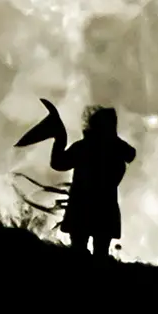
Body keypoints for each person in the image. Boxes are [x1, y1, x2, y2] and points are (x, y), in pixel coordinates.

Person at [47, 105, 136, 257]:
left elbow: (59, 163)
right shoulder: (108, 147)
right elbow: (130, 154)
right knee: (96, 252)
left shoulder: (84, 147)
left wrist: (58, 141)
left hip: (83, 207)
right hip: (101, 208)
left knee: (80, 251)